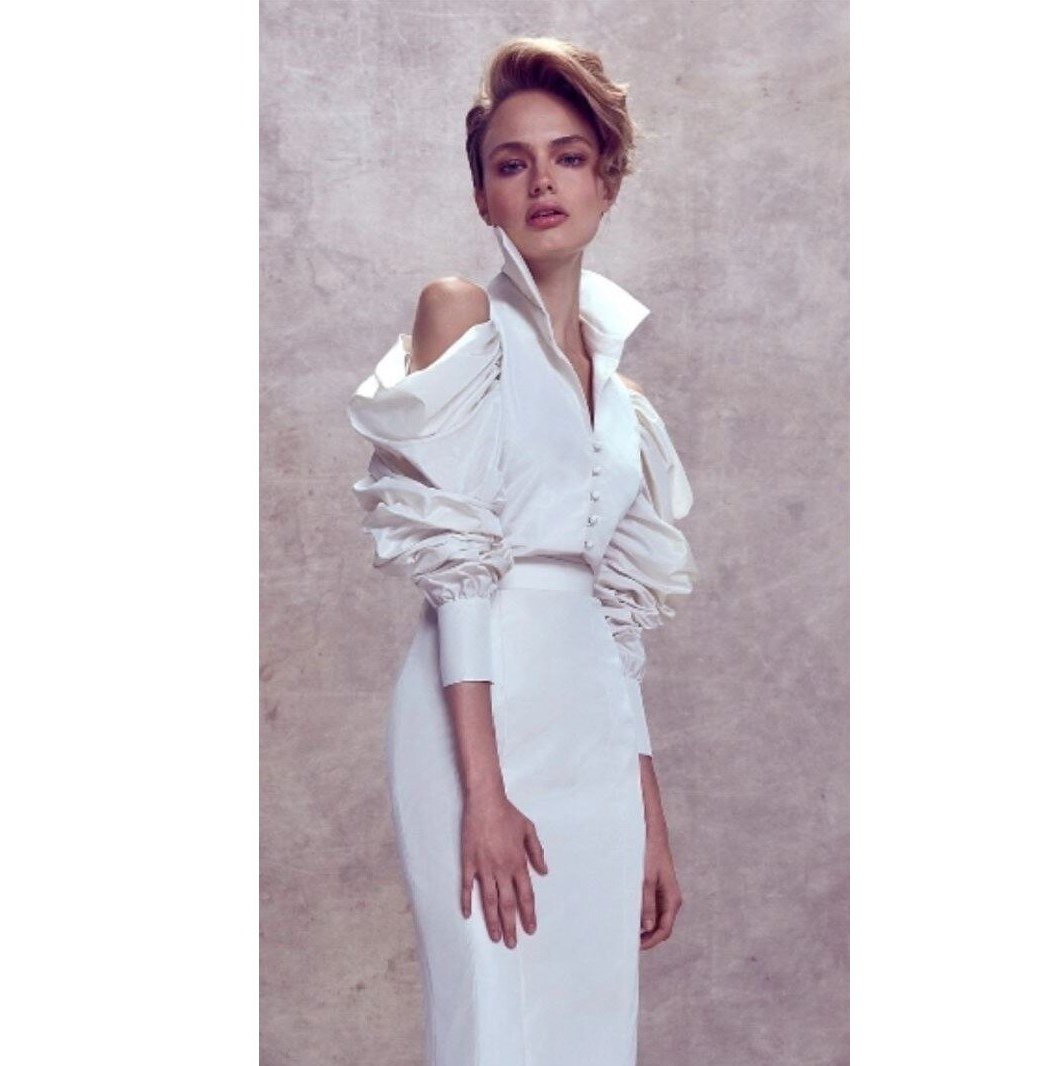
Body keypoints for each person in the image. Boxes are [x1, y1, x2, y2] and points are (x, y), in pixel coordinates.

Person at [347, 35, 698, 1066]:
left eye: (569, 156)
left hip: (593, 740)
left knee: (590, 1027)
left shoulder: (627, 405)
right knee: (492, 1023)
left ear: (607, 180)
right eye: (512, 163)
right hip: (476, 725)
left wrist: (649, 819)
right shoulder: (462, 318)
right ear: (483, 196)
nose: (543, 182)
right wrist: (484, 794)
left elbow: (619, 631)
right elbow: (457, 568)